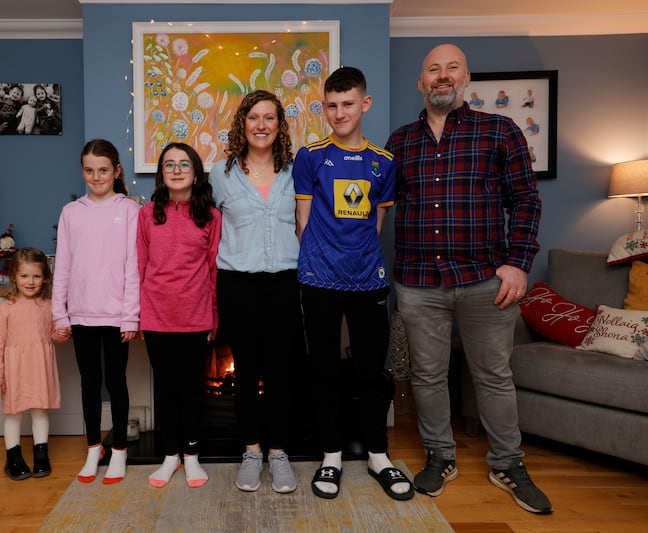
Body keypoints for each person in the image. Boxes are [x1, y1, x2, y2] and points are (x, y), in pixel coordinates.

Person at [385, 43, 551, 515]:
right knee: (427, 375)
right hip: (419, 282)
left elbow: (526, 201)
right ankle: (440, 456)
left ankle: (508, 463)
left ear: (466, 78)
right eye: (433, 69)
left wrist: (518, 262)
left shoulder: (500, 130)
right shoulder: (400, 141)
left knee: (493, 376)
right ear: (421, 82)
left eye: (452, 67)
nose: (442, 75)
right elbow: (377, 204)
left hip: (485, 280)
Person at [293, 66, 414, 502]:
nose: (339, 113)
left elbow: (376, 225)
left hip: (367, 281)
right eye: (331, 105)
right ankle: (331, 455)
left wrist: (355, 262)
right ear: (323, 108)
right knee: (323, 370)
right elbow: (303, 221)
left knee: (371, 371)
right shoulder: (310, 156)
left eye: (347, 104)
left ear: (365, 104)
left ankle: (378, 454)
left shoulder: (384, 161)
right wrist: (323, 263)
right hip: (319, 280)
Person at [209, 90, 299, 494]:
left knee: (281, 372)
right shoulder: (220, 173)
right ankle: (250, 451)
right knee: (246, 371)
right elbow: (206, 227)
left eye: (269, 118)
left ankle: (278, 453)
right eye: (253, 117)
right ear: (242, 124)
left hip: (285, 282)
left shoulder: (296, 172)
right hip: (238, 284)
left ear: (279, 125)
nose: (261, 125)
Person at [52, 139, 140, 485]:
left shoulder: (129, 210)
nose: (96, 176)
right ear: (83, 172)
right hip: (81, 314)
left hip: (116, 315)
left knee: (116, 382)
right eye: (89, 170)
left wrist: (131, 316)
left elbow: (133, 267)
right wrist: (60, 315)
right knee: (89, 383)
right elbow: (63, 267)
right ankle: (93, 447)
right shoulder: (71, 212)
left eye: (103, 170)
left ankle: (119, 449)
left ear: (116, 171)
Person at [137, 142, 221, 489]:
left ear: (196, 173)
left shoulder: (211, 217)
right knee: (166, 388)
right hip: (156, 315)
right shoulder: (147, 214)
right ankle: (170, 455)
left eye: (184, 164)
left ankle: (191, 455)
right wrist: (140, 315)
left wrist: (214, 315)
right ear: (161, 173)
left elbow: (214, 269)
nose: (176, 170)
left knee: (190, 389)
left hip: (195, 317)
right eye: (169, 164)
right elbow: (140, 266)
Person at [0, 247, 69, 481]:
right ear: (14, 276)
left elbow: (53, 334)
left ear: (45, 278)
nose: (30, 282)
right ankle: (13, 458)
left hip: (40, 366)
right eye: (24, 276)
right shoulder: (6, 308)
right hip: (14, 369)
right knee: (14, 413)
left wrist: (62, 333)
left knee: (40, 410)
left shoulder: (48, 305)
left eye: (36, 276)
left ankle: (41, 455)